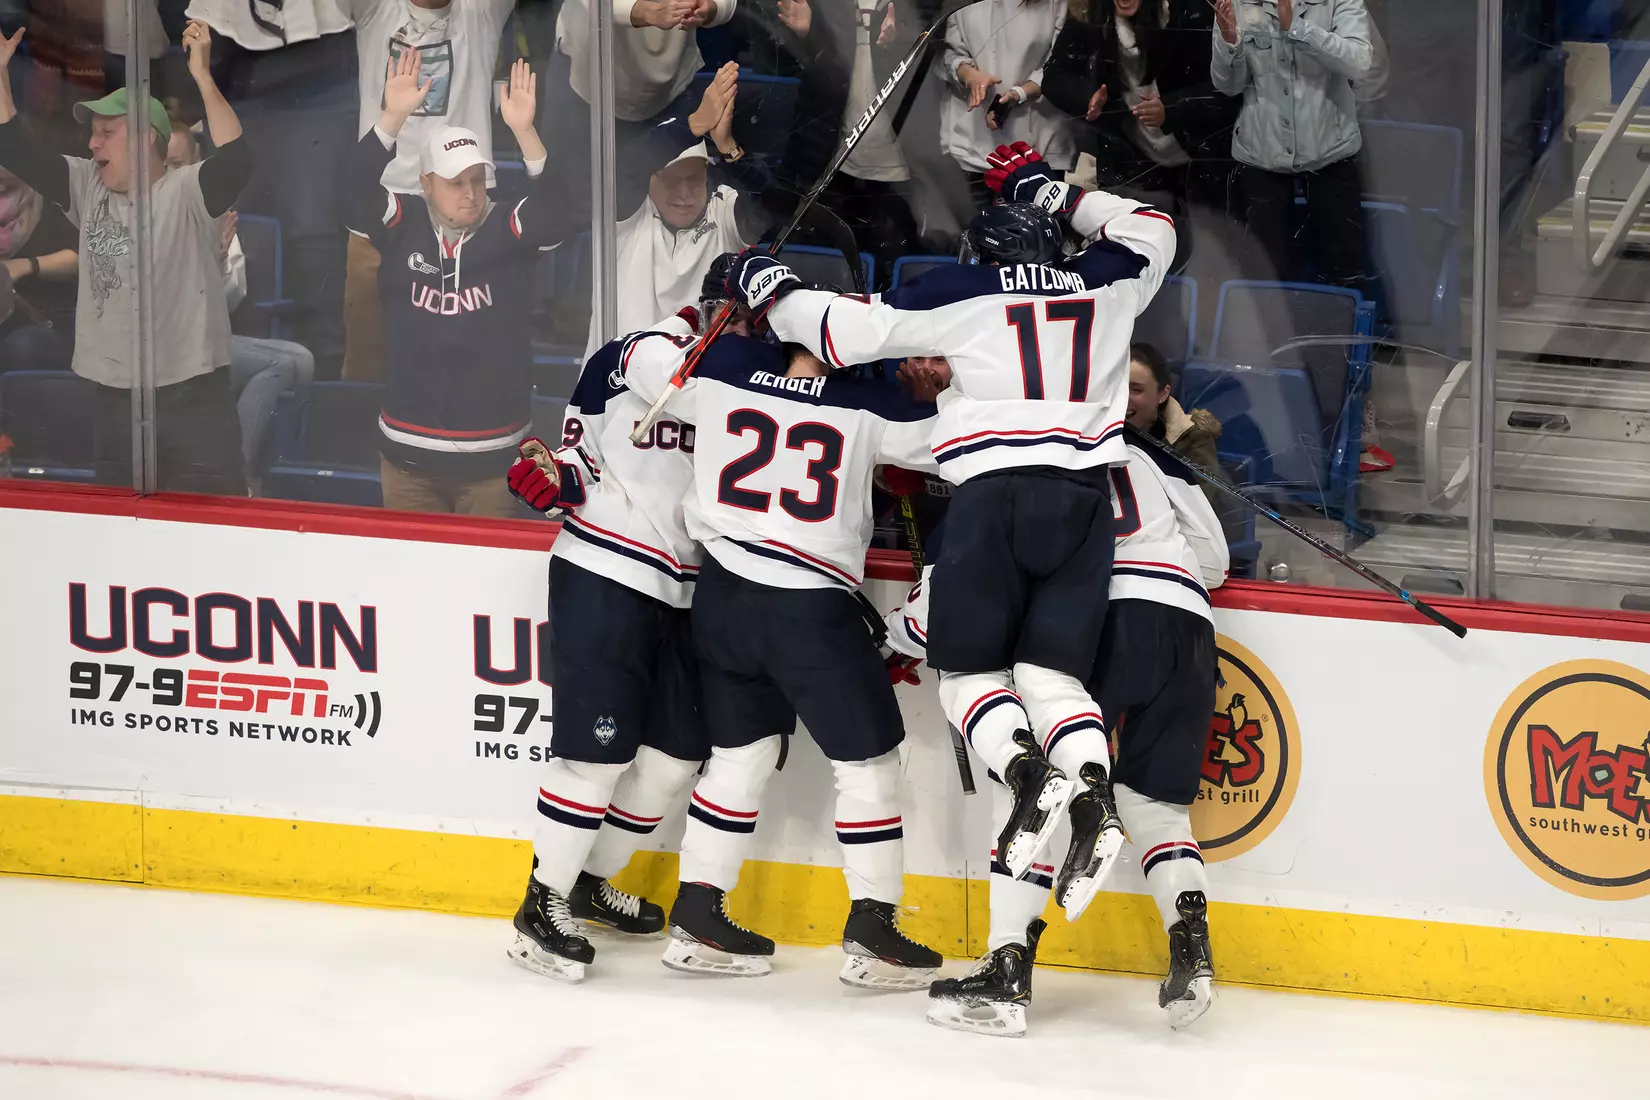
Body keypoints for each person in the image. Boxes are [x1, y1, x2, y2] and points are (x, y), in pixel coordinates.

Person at [728, 139, 1177, 916]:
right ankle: (1091, 797)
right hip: (1083, 506)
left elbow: (838, 334)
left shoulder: (964, 288)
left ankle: (1031, 778)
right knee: (1054, 681)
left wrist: (766, 285)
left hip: (994, 498)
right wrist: (1056, 192)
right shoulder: (1108, 282)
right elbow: (1152, 226)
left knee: (969, 676)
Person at [618, 270, 945, 986]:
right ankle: (874, 930)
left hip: (725, 599)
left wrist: (704, 320)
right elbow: (962, 446)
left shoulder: (726, 371)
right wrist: (934, 390)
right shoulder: (872, 402)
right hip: (808, 610)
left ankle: (699, 915)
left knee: (741, 753)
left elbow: (633, 356)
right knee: (868, 765)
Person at [886, 413, 1229, 1035]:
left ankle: (1006, 966)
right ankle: (1192, 953)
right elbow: (1216, 559)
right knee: (1157, 808)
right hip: (1187, 626)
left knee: (1025, 797)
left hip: (1097, 620)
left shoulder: (1012, 462)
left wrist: (897, 637)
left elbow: (944, 603)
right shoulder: (1154, 458)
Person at [501, 263, 749, 983]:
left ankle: (586, 882)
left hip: (691, 589)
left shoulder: (753, 382)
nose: (746, 329)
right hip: (606, 570)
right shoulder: (628, 355)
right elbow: (579, 459)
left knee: (674, 756)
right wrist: (554, 481)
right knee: (596, 756)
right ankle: (539, 905)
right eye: (735, 315)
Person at [0, 21, 251, 495]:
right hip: (115, 399)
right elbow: (17, 149)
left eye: (106, 132)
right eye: (93, 133)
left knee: (209, 531)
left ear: (146, 140)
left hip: (192, 397)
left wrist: (202, 76)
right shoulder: (86, 186)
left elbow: (238, 160)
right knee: (121, 525)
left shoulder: (188, 189)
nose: (92, 144)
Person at [340, 0, 517, 384]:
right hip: (380, 205)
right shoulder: (376, 8)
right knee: (366, 356)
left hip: (465, 210)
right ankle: (370, 444)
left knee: (471, 356)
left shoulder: (481, 10)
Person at [165, 125, 315, 485]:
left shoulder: (213, 212)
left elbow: (231, 299)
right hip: (176, 349)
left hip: (212, 337)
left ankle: (271, 462)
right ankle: (236, 471)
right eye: (165, 165)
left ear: (197, 163)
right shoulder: (152, 218)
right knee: (279, 365)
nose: (174, 175)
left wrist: (216, 257)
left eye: (179, 164)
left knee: (305, 362)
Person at [582, 64, 761, 358]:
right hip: (619, 390)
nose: (683, 193)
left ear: (707, 174)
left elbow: (777, 207)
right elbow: (621, 168)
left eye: (693, 179)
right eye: (670, 180)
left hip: (698, 389)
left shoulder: (724, 210)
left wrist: (728, 146)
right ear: (649, 178)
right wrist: (693, 125)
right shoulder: (627, 216)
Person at [1211, 0, 1375, 290]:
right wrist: (1229, 43)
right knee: (1264, 272)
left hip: (1331, 150)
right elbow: (1228, 86)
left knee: (1345, 268)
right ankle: (1273, 335)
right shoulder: (1236, 2)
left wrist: (1297, 28)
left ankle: (1344, 333)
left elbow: (1359, 62)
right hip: (1261, 153)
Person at [1040, 0, 1237, 227]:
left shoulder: (1190, 10)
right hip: (1129, 157)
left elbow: (1224, 87)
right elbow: (1055, 76)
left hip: (1198, 158)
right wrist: (1089, 98)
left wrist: (1171, 109)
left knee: (1207, 245)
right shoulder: (1092, 12)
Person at [774, 0, 923, 282]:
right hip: (834, 163)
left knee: (895, 281)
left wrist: (898, 44)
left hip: (902, 169)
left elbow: (936, 64)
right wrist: (809, 36)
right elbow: (796, 72)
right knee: (834, 277)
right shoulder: (824, 5)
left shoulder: (915, 6)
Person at [940, 0, 1076, 208]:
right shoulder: (962, 5)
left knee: (1034, 234)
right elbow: (951, 52)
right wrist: (970, 75)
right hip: (972, 143)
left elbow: (1060, 64)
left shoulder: (1057, 4)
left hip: (1039, 144)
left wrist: (1018, 94)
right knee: (976, 233)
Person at [0, 166, 78, 374]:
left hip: (55, 319)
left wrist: (25, 266)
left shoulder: (57, 200)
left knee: (22, 347)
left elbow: (82, 258)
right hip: (7, 319)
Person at [1126, 340, 1220, 474]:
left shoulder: (1191, 441)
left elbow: (1207, 493)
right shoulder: (1097, 431)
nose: (1123, 397)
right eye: (1119, 388)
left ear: (1163, 394)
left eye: (1136, 390)